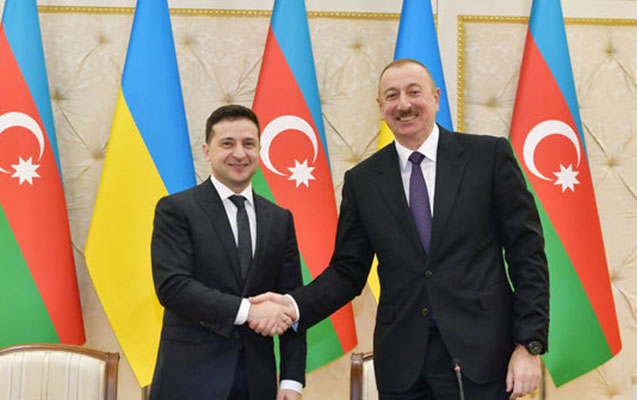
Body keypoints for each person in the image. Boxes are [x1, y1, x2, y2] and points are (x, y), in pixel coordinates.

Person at [251, 59, 549, 400]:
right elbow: (348, 271)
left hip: (483, 359)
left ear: (436, 98)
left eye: (414, 92)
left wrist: (528, 345)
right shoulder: (362, 181)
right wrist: (293, 305)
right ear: (380, 107)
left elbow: (527, 255)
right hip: (404, 368)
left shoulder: (488, 157)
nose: (404, 104)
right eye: (392, 96)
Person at [149, 104, 306, 400]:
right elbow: (172, 286)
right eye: (227, 144)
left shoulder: (280, 219)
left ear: (259, 150)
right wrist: (248, 311)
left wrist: (291, 380)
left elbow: (291, 302)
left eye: (249, 144)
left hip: (257, 384)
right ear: (207, 151)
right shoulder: (176, 210)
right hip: (189, 383)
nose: (239, 153)